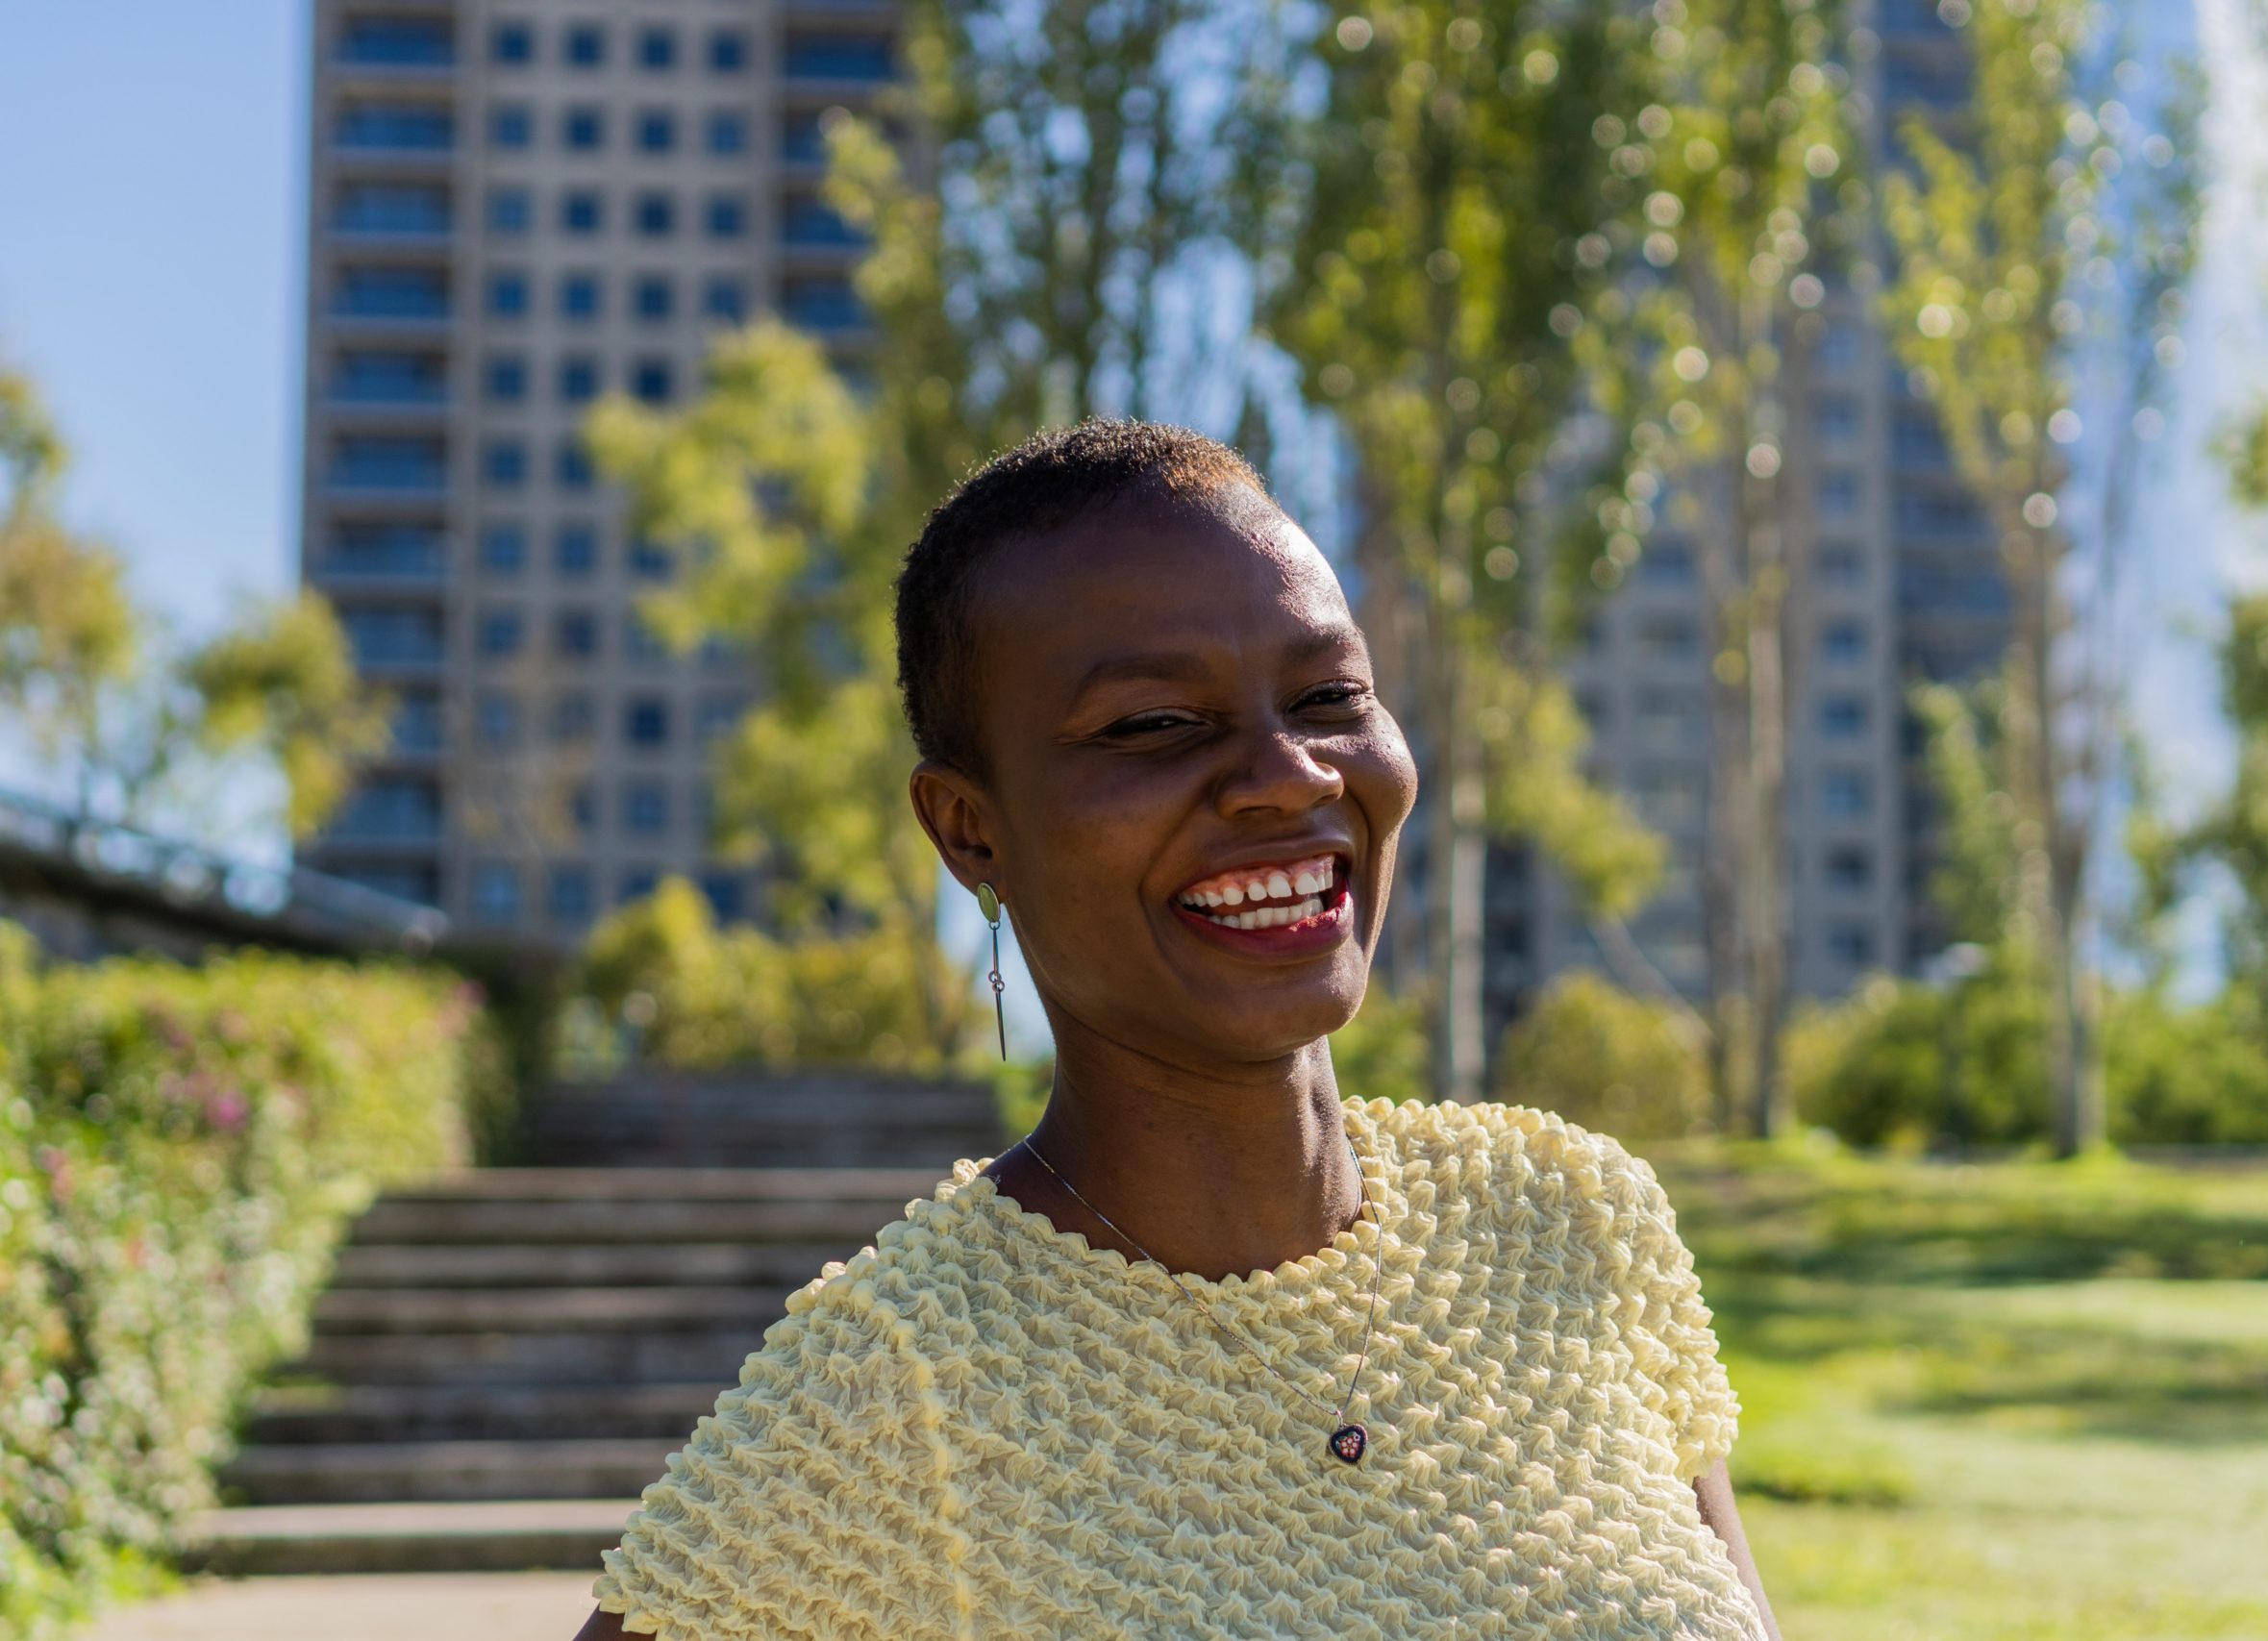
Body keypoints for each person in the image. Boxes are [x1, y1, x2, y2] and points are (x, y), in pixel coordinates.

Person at [571, 420, 1781, 1640]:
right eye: (1154, 725)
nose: (1291, 773)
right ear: (968, 830)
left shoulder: (1570, 1222)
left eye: (1329, 696)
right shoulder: (895, 1387)